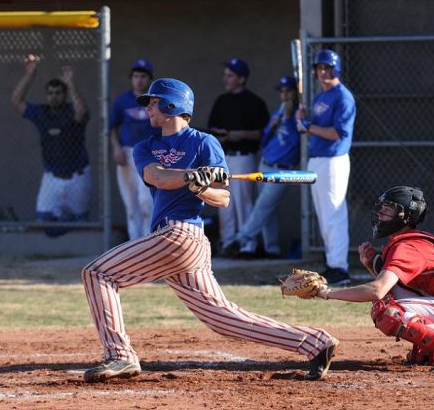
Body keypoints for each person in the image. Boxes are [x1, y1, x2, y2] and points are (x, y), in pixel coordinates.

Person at [81, 78, 338, 383]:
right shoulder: (145, 146)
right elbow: (157, 177)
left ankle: (120, 355)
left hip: (181, 235)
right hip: (172, 240)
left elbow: (223, 198)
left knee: (97, 273)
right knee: (225, 320)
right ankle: (315, 342)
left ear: (172, 104)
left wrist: (202, 188)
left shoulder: (204, 143)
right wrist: (192, 174)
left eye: (153, 101)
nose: (148, 107)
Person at [296, 186, 434, 372]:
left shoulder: (407, 247)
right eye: (382, 209)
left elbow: (377, 290)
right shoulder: (404, 242)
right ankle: (433, 349)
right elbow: (395, 287)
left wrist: (326, 292)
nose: (381, 215)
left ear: (405, 216)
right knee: (388, 302)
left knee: (388, 311)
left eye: (388, 210)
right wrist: (371, 263)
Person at [10, 54, 93, 234]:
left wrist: (70, 84)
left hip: (77, 176)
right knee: (43, 222)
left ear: (64, 95)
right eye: (50, 93)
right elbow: (16, 101)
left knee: (81, 224)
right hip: (52, 178)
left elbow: (82, 112)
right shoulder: (42, 113)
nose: (54, 97)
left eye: (58, 93)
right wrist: (29, 75)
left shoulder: (72, 110)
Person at [295, 49, 356, 286]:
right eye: (319, 68)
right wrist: (303, 120)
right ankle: (332, 263)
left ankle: (339, 268)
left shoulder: (343, 96)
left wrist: (308, 126)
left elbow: (338, 133)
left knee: (333, 213)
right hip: (317, 158)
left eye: (326, 68)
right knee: (323, 214)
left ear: (335, 69)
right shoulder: (321, 97)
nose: (322, 73)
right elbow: (309, 128)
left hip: (334, 160)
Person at [225, 75, 301, 258]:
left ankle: (241, 239)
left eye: (288, 91)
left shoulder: (299, 115)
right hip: (266, 164)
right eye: (282, 92)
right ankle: (272, 249)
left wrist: (290, 120)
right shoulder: (277, 113)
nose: (284, 96)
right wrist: (272, 127)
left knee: (263, 206)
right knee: (269, 210)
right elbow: (264, 140)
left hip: (284, 168)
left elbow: (297, 141)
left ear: (295, 93)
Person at [207, 58, 269, 255]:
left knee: (243, 201)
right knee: (224, 201)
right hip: (224, 157)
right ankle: (228, 243)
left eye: (230, 75)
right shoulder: (221, 101)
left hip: (245, 156)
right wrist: (222, 136)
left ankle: (247, 245)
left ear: (242, 79)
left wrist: (239, 134)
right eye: (226, 75)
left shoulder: (255, 102)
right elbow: (211, 129)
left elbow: (263, 133)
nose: (226, 79)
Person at [110, 59, 158, 240]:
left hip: (149, 155)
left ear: (150, 79)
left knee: (146, 201)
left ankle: (148, 243)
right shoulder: (123, 101)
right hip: (127, 153)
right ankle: (134, 244)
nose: (139, 80)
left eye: (143, 76)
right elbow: (112, 127)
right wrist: (116, 148)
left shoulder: (156, 101)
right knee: (131, 204)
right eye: (136, 76)